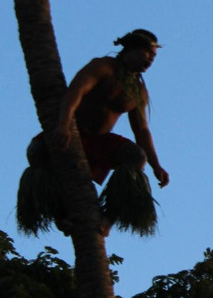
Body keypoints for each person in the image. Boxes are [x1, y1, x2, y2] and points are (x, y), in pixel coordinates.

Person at [17, 29, 169, 236]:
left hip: (100, 142)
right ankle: (61, 216)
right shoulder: (103, 67)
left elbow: (141, 130)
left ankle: (108, 218)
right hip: (73, 132)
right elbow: (75, 93)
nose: (150, 60)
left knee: (135, 158)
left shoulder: (138, 90)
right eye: (146, 53)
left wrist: (156, 165)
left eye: (153, 56)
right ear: (130, 50)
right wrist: (63, 124)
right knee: (36, 152)